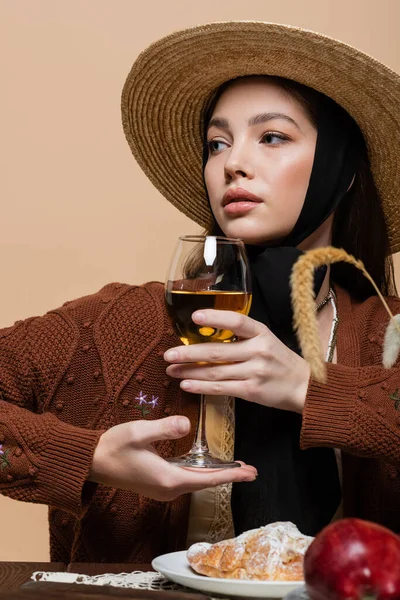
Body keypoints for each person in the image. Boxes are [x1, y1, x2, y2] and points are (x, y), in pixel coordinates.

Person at [1, 21, 400, 564]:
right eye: (217, 143)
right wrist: (87, 454)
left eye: (272, 137)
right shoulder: (124, 323)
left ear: (342, 167)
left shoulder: (388, 332)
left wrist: (312, 390)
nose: (233, 162)